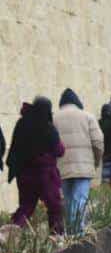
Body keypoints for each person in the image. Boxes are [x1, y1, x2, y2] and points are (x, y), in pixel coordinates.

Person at [8, 97, 65, 233]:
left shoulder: (22, 123)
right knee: (54, 207)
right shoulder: (48, 127)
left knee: (26, 207)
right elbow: (59, 150)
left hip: (24, 174)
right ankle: (56, 237)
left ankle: (8, 235)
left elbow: (14, 149)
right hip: (45, 175)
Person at [54, 88, 104, 235]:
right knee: (80, 200)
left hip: (61, 167)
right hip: (84, 166)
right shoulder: (88, 116)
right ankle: (77, 234)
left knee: (69, 201)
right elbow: (98, 141)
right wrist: (95, 161)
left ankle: (71, 232)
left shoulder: (54, 118)